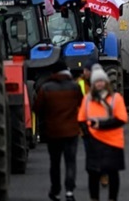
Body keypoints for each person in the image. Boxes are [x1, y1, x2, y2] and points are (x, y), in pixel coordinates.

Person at [34, 59, 84, 201]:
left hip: (53, 132)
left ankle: (55, 190)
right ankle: (69, 192)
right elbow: (81, 104)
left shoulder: (46, 88)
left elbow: (37, 109)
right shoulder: (74, 87)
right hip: (71, 131)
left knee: (54, 163)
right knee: (70, 162)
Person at [78, 65, 128, 201]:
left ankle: (112, 198)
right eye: (97, 81)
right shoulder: (87, 99)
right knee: (93, 173)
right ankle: (94, 198)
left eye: (102, 81)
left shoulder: (116, 98)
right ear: (93, 84)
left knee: (113, 173)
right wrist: (87, 133)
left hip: (113, 141)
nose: (99, 83)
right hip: (94, 141)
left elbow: (122, 119)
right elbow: (81, 118)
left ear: (106, 82)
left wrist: (100, 125)